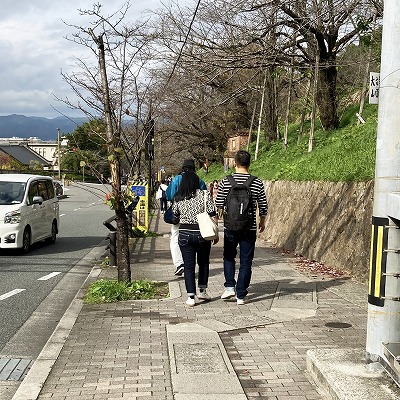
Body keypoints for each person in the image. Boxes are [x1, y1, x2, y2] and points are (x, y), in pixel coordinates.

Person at [215, 150, 268, 305]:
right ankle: (241, 295)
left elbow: (218, 204)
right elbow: (263, 205)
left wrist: (218, 219)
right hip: (249, 227)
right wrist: (262, 221)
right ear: (249, 163)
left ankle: (230, 287)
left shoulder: (226, 181)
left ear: (234, 163)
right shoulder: (256, 182)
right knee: (246, 261)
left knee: (229, 257)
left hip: (230, 226)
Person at [172, 170, 219, 306]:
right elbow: (212, 213)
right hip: (202, 234)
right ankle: (202, 291)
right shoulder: (204, 195)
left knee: (188, 265)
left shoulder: (178, 196)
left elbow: (175, 215)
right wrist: (215, 234)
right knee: (203, 263)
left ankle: (190, 297)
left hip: (185, 234)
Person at [166, 159, 207, 276]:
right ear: (194, 168)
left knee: (175, 238)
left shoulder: (177, 179)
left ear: (183, 168)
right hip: (195, 217)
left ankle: (179, 264)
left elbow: (169, 195)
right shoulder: (199, 180)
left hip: (178, 214)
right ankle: (190, 264)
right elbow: (204, 196)